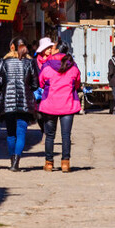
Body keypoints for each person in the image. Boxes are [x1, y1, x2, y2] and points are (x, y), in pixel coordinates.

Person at [38, 42, 81, 172]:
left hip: (50, 105)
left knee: (50, 135)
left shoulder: (46, 67)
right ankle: (65, 163)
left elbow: (41, 83)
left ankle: (49, 163)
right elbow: (77, 83)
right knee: (66, 135)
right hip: (68, 105)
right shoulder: (73, 67)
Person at [0, 37, 37, 171]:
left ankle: (12, 161)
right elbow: (35, 84)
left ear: (12, 47)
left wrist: (4, 90)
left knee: (11, 134)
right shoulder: (30, 62)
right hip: (24, 103)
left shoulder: (4, 62)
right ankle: (16, 162)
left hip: (8, 103)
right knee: (21, 133)